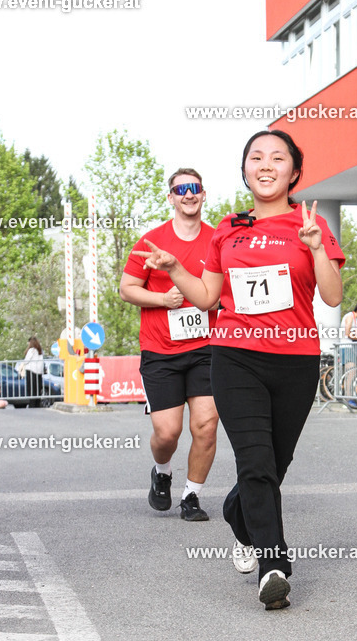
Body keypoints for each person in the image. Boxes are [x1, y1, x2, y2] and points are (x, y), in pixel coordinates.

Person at [137, 130, 344, 610]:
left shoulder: (311, 224)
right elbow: (207, 297)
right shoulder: (228, 229)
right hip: (234, 358)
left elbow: (333, 296)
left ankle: (237, 509)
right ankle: (275, 566)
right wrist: (175, 269)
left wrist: (316, 248)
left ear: (294, 171)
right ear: (245, 170)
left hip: (295, 360)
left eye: (278, 158)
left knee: (275, 465)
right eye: (256, 157)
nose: (266, 165)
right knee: (255, 463)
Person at [119, 168, 219, 522]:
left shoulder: (217, 239)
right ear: (171, 198)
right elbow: (127, 289)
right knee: (168, 432)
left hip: (207, 348)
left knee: (205, 425)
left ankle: (192, 496)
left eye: (194, 188)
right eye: (181, 189)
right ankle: (162, 472)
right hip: (161, 350)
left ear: (203, 194)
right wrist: (163, 300)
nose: (188, 194)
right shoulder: (151, 241)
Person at [339, 303, 357, 408]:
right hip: (347, 348)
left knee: (351, 374)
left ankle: (349, 398)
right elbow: (347, 333)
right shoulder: (350, 317)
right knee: (351, 374)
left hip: (349, 348)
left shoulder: (353, 319)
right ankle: (348, 399)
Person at [17, 336, 44, 408]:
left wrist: (22, 365)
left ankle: (32, 405)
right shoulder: (40, 351)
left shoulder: (31, 350)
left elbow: (27, 360)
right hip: (39, 372)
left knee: (31, 390)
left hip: (31, 371)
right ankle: (37, 404)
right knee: (37, 390)